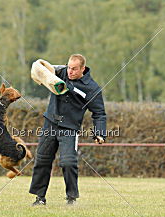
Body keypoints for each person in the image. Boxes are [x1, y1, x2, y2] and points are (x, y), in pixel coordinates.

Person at [29, 54, 107, 205]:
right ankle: (39, 198)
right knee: (42, 160)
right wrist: (38, 67)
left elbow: (99, 113)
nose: (70, 72)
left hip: (69, 128)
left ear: (83, 69)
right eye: (69, 67)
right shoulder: (60, 72)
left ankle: (71, 198)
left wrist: (100, 133)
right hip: (50, 123)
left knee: (68, 162)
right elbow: (42, 69)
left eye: (74, 69)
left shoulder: (92, 88)